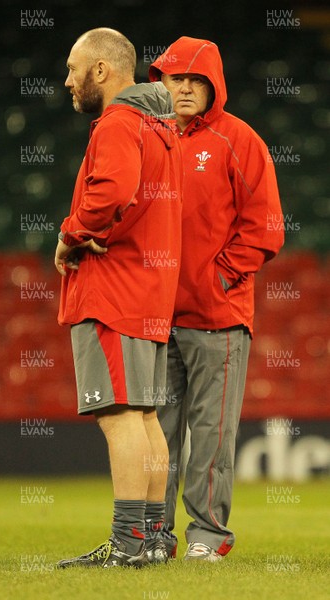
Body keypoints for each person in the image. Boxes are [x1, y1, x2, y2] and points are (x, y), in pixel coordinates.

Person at [149, 36, 284, 561]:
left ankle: (207, 537)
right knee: (156, 437)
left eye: (193, 80)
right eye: (174, 79)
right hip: (155, 318)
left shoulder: (239, 139)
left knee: (210, 434)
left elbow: (266, 225)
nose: (182, 88)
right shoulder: (149, 138)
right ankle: (153, 538)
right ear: (161, 83)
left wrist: (220, 277)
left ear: (213, 87)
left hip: (217, 317)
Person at [54, 28, 182, 569]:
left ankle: (128, 543)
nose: (67, 80)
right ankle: (151, 538)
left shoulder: (118, 123)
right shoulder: (162, 127)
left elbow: (111, 191)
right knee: (146, 414)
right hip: (150, 292)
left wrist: (70, 232)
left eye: (72, 67)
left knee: (121, 415)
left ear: (101, 71)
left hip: (114, 290)